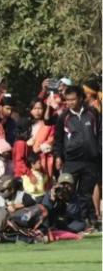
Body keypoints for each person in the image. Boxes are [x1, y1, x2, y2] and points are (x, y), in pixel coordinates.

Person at [52, 85, 101, 221]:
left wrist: (99, 151)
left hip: (91, 160)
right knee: (66, 191)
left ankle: (88, 220)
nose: (70, 103)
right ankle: (65, 220)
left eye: (73, 99)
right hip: (71, 161)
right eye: (67, 100)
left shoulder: (93, 113)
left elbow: (100, 134)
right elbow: (58, 139)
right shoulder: (63, 117)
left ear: (80, 98)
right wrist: (58, 156)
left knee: (86, 193)